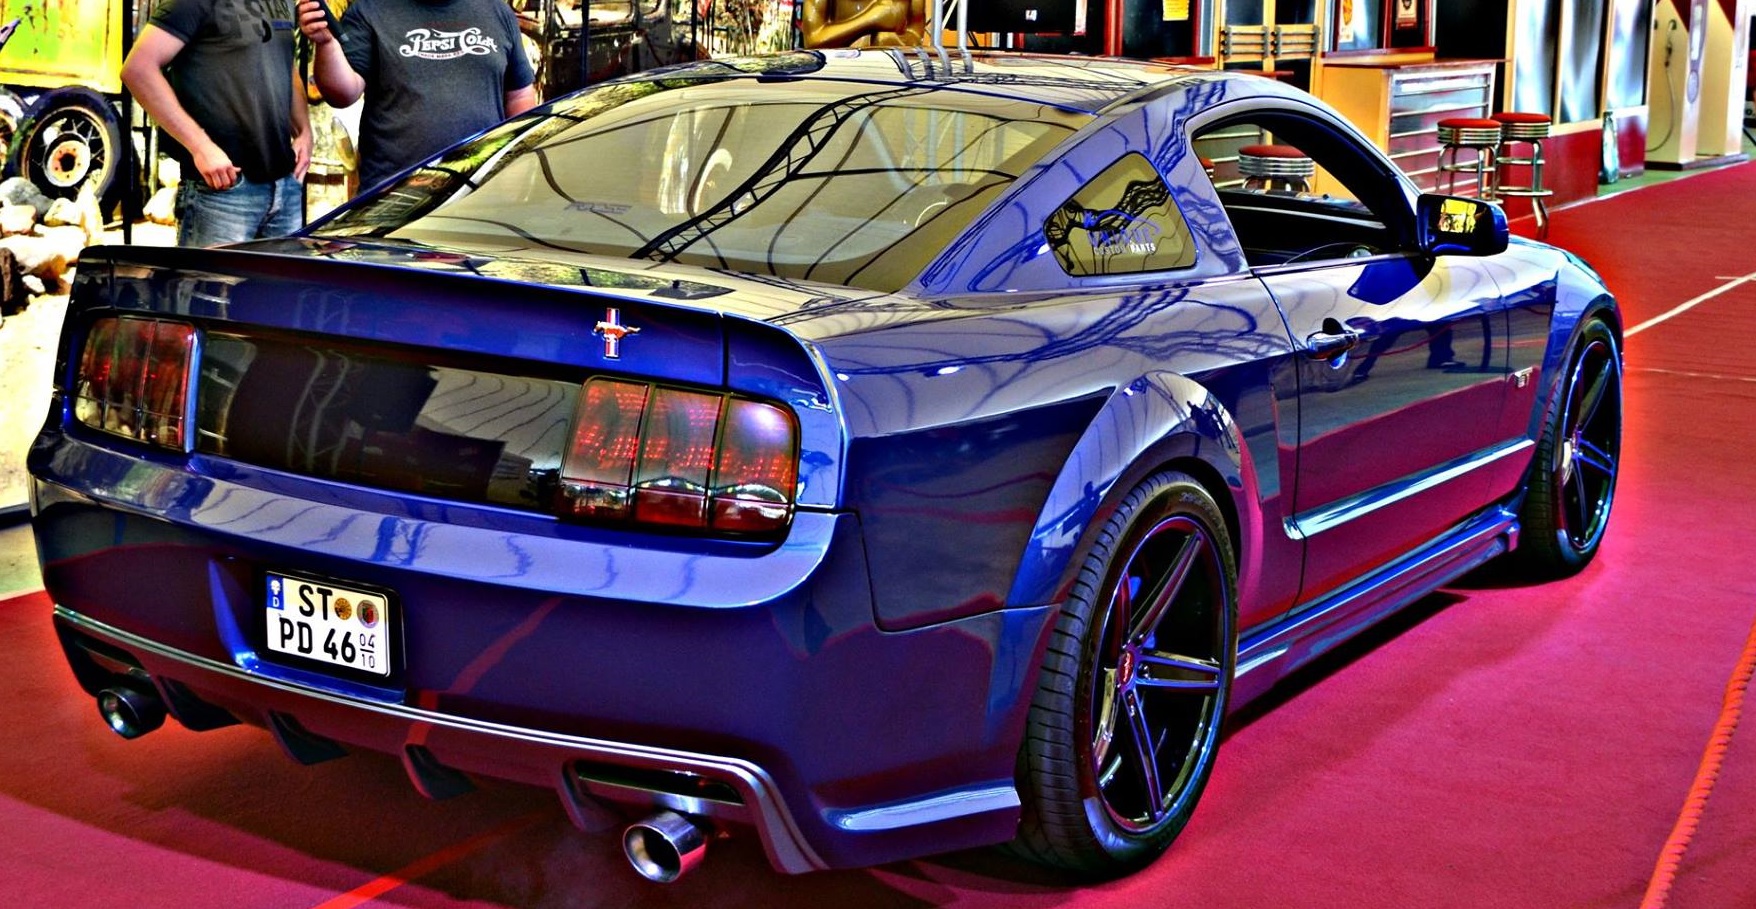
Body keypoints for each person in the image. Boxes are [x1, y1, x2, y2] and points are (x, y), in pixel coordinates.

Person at [121, 0, 313, 247]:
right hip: (223, 188)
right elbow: (138, 69)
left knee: (284, 275)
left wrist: (304, 130)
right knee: (212, 275)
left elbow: (286, 64)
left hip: (285, 185)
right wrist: (200, 146)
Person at [298, 0, 538, 192]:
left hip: (480, 187)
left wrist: (518, 160)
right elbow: (342, 94)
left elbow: (519, 97)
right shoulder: (370, 10)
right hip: (395, 195)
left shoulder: (497, 11)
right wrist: (327, 44)